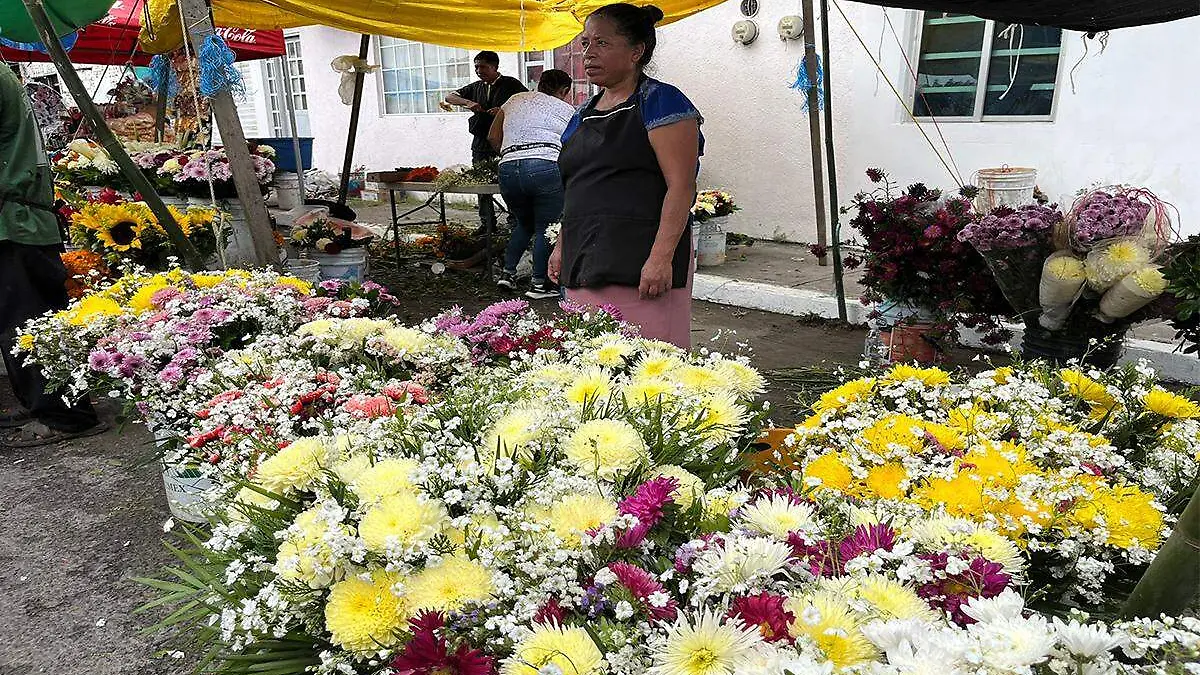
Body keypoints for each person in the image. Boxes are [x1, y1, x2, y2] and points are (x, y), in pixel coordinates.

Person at [549, 3, 703, 348]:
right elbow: (577, 188)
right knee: (589, 363)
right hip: (584, 256)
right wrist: (561, 245)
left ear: (636, 51)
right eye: (586, 43)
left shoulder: (662, 102)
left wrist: (660, 258)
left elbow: (682, 185)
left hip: (641, 261)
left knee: (647, 365)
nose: (588, 52)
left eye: (602, 43)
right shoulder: (581, 115)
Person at [0, 62, 104, 448]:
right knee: (29, 319)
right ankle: (45, 403)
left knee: (27, 323)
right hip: (19, 217)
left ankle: (65, 415)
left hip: (14, 220)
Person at [487, 69, 576, 300]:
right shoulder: (567, 110)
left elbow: (492, 137)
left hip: (508, 168)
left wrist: (513, 156)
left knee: (523, 224)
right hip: (545, 166)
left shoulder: (514, 99)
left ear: (539, 84)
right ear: (564, 91)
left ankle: (507, 274)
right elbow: (575, 147)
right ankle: (539, 285)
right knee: (546, 228)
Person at [444, 51, 528, 232]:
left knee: (509, 184)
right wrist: (468, 103)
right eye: (476, 66)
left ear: (494, 67)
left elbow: (527, 102)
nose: (478, 70)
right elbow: (449, 97)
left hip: (504, 144)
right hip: (480, 145)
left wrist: (504, 109)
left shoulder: (511, 84)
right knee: (481, 186)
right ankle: (487, 224)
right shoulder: (476, 87)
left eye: (482, 66)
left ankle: (515, 222)